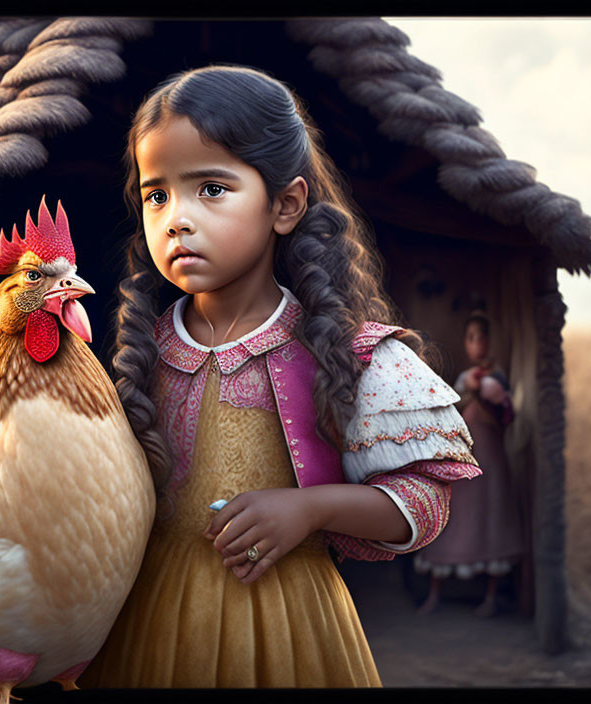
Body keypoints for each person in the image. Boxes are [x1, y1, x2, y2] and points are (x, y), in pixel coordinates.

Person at [77, 65, 480, 688]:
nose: (176, 218)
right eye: (157, 194)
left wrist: (311, 510)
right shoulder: (141, 356)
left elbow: (424, 502)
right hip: (148, 624)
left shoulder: (347, 354)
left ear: (285, 204)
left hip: (293, 629)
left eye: (210, 188)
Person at [414, 310, 523, 617]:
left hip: (491, 459)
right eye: (471, 337)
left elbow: (507, 417)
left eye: (482, 336)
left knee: (491, 516)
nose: (477, 343)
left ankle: (490, 595)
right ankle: (435, 592)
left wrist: (491, 396)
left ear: (491, 340)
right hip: (465, 457)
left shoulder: (498, 378)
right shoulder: (463, 380)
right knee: (455, 517)